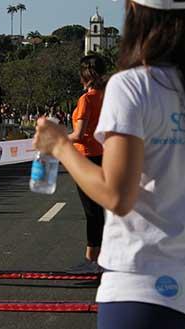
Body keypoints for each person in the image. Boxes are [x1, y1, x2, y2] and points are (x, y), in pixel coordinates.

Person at [33, 0, 185, 329]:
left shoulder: (132, 84)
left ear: (134, 12)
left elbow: (117, 194)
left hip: (140, 287)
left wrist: (60, 145)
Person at [68, 55, 107, 270]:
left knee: (91, 211)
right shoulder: (106, 96)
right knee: (100, 210)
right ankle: (98, 256)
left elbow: (79, 134)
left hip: (85, 157)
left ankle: (92, 259)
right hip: (103, 156)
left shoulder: (86, 100)